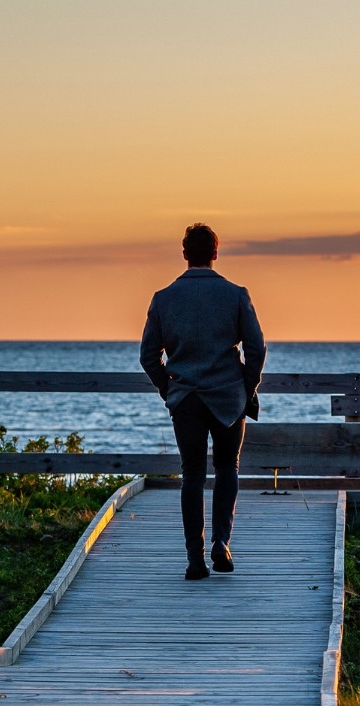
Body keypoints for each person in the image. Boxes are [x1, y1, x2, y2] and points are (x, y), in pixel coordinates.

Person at [138, 222, 267, 580]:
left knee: (192, 475)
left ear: (184, 255)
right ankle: (221, 543)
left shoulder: (163, 299)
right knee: (228, 468)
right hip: (228, 397)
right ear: (215, 253)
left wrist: (170, 391)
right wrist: (248, 387)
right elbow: (257, 349)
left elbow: (148, 357)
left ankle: (194, 558)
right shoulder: (236, 294)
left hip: (187, 399)